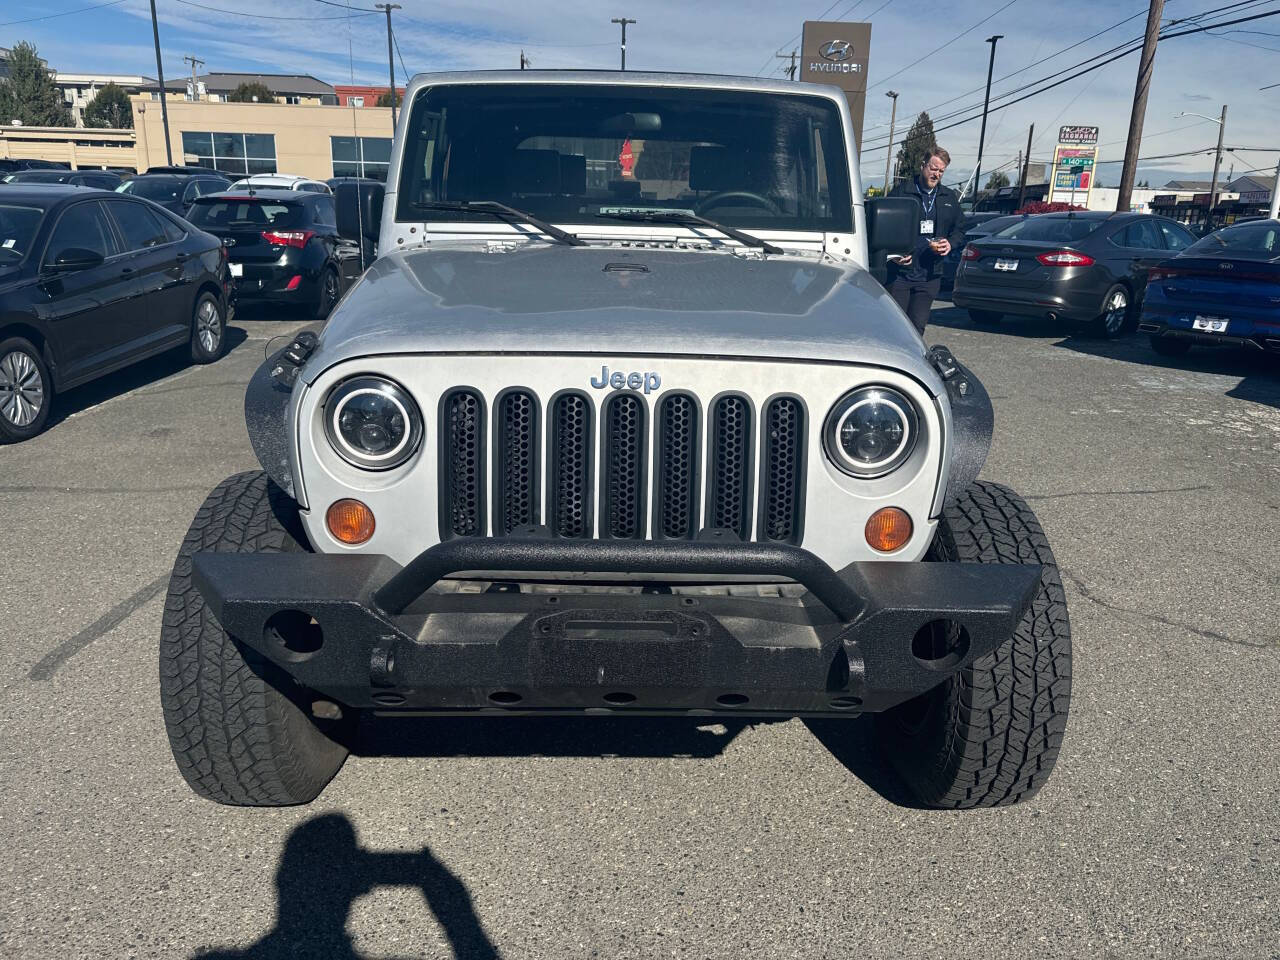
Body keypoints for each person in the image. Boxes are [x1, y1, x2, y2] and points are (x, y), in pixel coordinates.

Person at [886, 147, 966, 335]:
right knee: (895, 327)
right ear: (922, 165)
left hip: (929, 276)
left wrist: (950, 243)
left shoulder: (948, 197)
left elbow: (960, 228)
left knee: (917, 327)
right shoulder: (901, 193)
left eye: (941, 171)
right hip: (901, 275)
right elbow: (883, 230)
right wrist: (893, 254)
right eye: (933, 168)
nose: (936, 174)